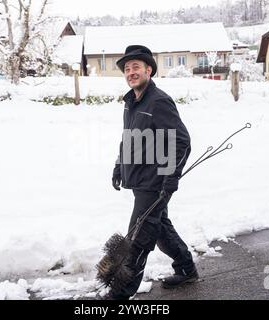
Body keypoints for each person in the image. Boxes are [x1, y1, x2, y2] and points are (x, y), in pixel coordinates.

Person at [110, 45, 198, 300]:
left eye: (136, 67)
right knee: (159, 228)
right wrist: (119, 166)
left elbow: (181, 141)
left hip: (156, 182)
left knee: (139, 236)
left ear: (149, 70)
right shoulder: (132, 102)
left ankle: (120, 293)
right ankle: (185, 267)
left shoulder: (158, 101)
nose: (130, 72)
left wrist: (170, 178)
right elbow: (129, 139)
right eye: (127, 69)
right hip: (138, 179)